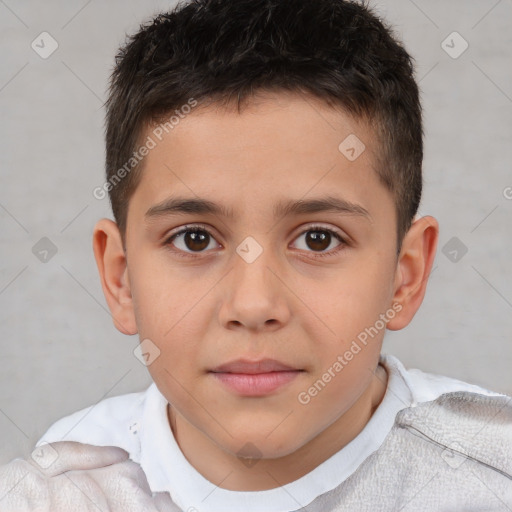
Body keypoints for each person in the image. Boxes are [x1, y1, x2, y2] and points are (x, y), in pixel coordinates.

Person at [1, 0, 511, 510]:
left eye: (318, 239)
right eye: (194, 239)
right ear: (121, 278)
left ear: (405, 277)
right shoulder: (54, 497)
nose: (253, 305)